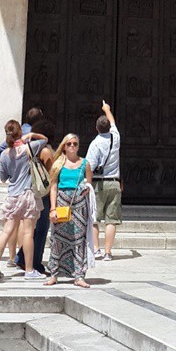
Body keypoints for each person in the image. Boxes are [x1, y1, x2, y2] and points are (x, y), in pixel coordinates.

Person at [0, 121, 40, 282]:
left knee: (6, 231)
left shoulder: (4, 155)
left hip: (12, 195)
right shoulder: (28, 149)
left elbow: (4, 178)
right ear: (20, 132)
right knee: (28, 233)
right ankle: (29, 270)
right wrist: (32, 135)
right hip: (27, 194)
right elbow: (45, 140)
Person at [44, 133, 93, 288]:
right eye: (69, 143)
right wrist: (52, 208)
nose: (72, 146)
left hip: (79, 204)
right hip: (61, 202)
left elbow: (89, 185)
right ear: (64, 146)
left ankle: (79, 275)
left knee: (79, 239)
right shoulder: (58, 163)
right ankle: (54, 273)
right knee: (57, 239)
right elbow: (53, 187)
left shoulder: (85, 164)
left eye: (75, 144)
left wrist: (86, 190)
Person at [15, 116, 57, 276]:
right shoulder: (45, 150)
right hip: (43, 193)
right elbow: (51, 173)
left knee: (34, 229)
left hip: (32, 191)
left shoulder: (30, 149)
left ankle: (22, 257)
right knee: (41, 229)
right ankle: (33, 262)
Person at [87, 100, 121, 261]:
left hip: (99, 183)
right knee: (111, 219)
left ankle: (96, 249)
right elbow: (113, 122)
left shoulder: (95, 144)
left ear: (96, 128)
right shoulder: (116, 137)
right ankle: (108, 252)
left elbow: (89, 166)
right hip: (114, 182)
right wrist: (107, 109)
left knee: (94, 218)